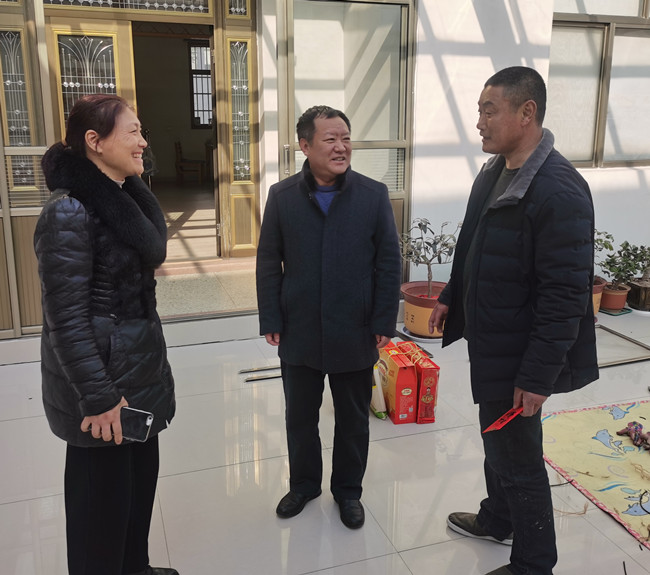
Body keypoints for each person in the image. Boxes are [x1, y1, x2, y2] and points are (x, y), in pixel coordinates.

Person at [429, 67, 598, 575]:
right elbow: (472, 243)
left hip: (521, 354)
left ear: (527, 113)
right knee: (495, 439)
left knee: (519, 459)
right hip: (493, 341)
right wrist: (451, 295)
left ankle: (533, 563)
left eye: (489, 110)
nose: (479, 122)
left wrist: (537, 376)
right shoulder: (495, 171)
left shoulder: (559, 192)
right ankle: (498, 518)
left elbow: (565, 298)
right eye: (479, 110)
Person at [34, 94, 178, 575]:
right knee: (101, 517)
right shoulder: (69, 212)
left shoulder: (123, 199)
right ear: (94, 141)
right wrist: (98, 399)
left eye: (142, 132)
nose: (142, 142)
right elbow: (66, 321)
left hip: (136, 381)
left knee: (136, 496)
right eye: (132, 131)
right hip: (102, 393)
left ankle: (136, 567)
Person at [256, 105, 401, 529]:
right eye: (330, 140)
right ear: (305, 145)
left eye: (346, 139)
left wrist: (382, 321)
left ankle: (348, 491)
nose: (341, 148)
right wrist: (271, 317)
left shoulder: (372, 195)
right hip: (299, 326)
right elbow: (269, 261)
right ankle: (304, 485)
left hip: (355, 327)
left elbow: (389, 263)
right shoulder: (282, 196)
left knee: (353, 419)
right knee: (299, 416)